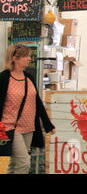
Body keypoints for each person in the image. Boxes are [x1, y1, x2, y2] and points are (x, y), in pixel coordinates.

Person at [0, 44, 55, 174]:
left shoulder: (29, 77)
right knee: (24, 162)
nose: (29, 59)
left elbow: (37, 102)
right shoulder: (3, 78)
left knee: (15, 164)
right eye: (26, 56)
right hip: (10, 127)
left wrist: (47, 124)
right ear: (14, 58)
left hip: (29, 127)